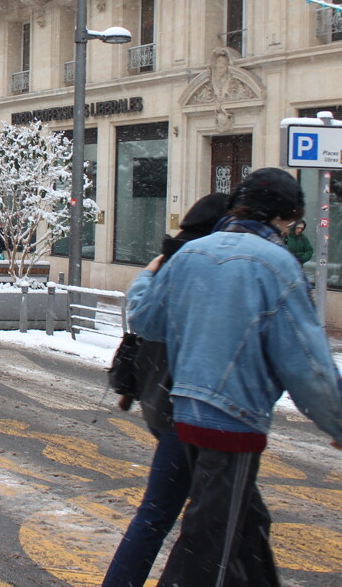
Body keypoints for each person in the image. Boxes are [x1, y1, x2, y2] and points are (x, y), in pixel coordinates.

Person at [127, 168, 342, 586]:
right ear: (284, 218)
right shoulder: (278, 266)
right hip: (233, 422)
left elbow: (146, 319)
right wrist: (338, 420)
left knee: (247, 528)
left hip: (186, 414)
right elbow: (306, 360)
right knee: (205, 548)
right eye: (291, 223)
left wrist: (147, 275)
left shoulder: (192, 254)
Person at [101, 193, 230, 587]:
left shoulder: (166, 265)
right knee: (189, 518)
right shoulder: (203, 270)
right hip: (189, 412)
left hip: (163, 405)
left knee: (172, 515)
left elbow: (143, 317)